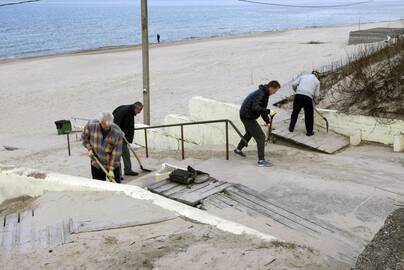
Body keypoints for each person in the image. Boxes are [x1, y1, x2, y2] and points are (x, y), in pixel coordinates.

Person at [234, 81, 281, 167]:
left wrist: (268, 122)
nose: (275, 93)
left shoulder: (265, 94)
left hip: (246, 114)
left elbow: (261, 109)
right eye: (275, 91)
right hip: (247, 116)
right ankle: (261, 161)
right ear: (271, 88)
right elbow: (256, 108)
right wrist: (269, 111)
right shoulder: (261, 94)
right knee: (261, 137)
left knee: (250, 133)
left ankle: (238, 149)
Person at [82, 112, 123, 183]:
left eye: (109, 125)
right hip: (96, 162)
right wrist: (89, 149)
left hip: (112, 163)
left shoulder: (117, 132)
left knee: (116, 186)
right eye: (105, 125)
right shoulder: (91, 125)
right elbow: (85, 138)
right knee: (99, 184)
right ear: (100, 122)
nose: (107, 128)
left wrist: (111, 170)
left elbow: (116, 153)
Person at [113, 102, 143, 176]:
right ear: (136, 108)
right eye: (139, 111)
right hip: (116, 136)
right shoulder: (123, 111)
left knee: (126, 153)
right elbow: (114, 123)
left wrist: (128, 140)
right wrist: (119, 131)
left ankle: (128, 170)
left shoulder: (131, 112)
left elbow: (130, 127)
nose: (139, 112)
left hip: (123, 136)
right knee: (117, 155)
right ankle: (118, 174)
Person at [289, 71, 321, 136]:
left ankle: (291, 128)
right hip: (308, 97)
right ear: (317, 76)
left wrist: (296, 91)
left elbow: (293, 84)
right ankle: (309, 132)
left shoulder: (303, 76)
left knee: (295, 112)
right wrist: (315, 101)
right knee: (309, 115)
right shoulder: (317, 81)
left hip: (298, 95)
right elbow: (316, 95)